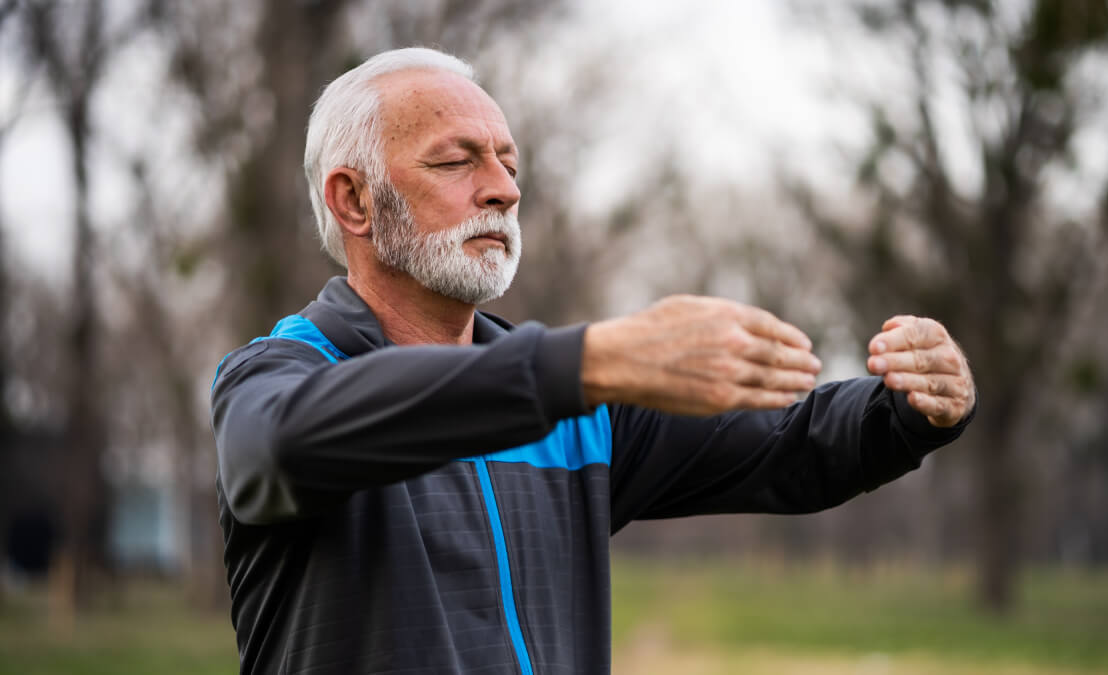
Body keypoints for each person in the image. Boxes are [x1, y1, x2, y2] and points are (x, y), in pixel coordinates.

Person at [210, 47, 976, 675]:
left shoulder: (578, 407)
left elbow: (788, 443)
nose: (504, 189)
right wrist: (584, 363)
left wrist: (904, 407)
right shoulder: (275, 376)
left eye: (509, 162)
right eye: (457, 161)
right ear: (354, 201)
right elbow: (281, 444)